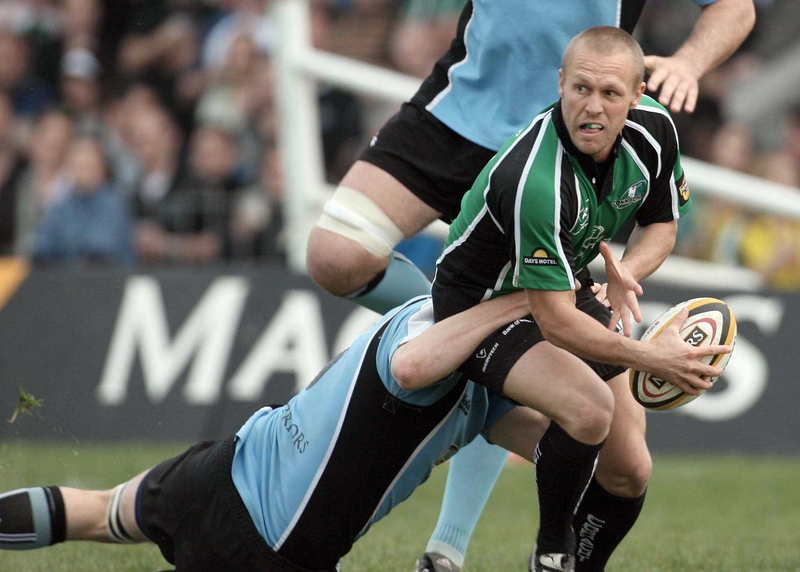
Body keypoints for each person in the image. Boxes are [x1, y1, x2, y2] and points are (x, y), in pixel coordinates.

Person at [303, 1, 755, 571]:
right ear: (561, 81)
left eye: (616, 94)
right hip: (464, 116)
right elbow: (556, 318)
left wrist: (689, 61)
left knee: (628, 465)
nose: (604, 102)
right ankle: (460, 356)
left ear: (634, 95)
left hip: (569, 178)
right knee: (338, 256)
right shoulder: (535, 177)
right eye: (588, 88)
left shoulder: (647, 128)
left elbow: (734, 8)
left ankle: (467, 437)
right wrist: (649, 357)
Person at [0, 291, 556, 571]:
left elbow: (565, 450)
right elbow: (416, 368)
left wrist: (620, 372)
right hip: (276, 553)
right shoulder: (432, 346)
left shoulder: (423, 315)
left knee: (98, 511)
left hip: (222, 469)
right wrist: (531, 306)